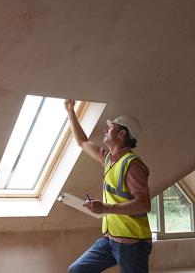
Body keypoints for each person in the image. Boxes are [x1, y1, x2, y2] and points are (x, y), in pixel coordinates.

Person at [64, 99, 152, 273]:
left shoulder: (132, 164)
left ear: (122, 135)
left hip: (133, 243)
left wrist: (105, 207)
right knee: (77, 270)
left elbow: (144, 204)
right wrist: (70, 112)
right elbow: (82, 142)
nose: (106, 129)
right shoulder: (108, 159)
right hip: (111, 240)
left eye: (111, 127)